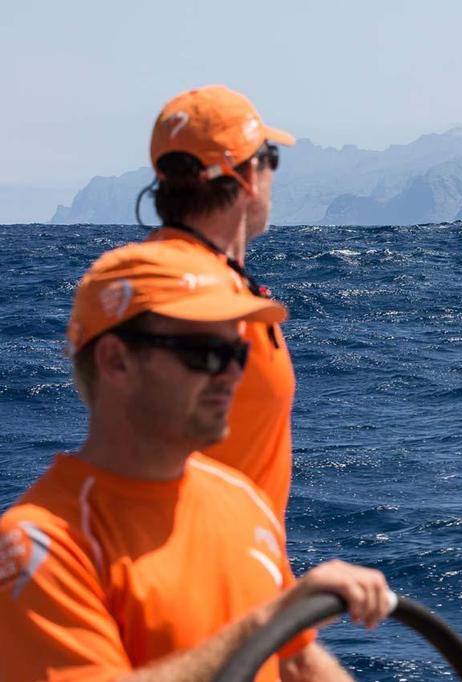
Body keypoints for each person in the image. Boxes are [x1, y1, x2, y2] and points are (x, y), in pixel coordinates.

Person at [0, 241, 390, 681]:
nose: (233, 374)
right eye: (205, 353)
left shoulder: (241, 500)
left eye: (238, 353)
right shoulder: (41, 546)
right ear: (116, 361)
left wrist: (278, 625)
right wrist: (265, 624)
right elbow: (269, 633)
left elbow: (296, 661)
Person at [145, 84, 298, 522]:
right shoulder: (197, 295)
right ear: (249, 177)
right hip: (208, 577)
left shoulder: (179, 276)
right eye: (271, 158)